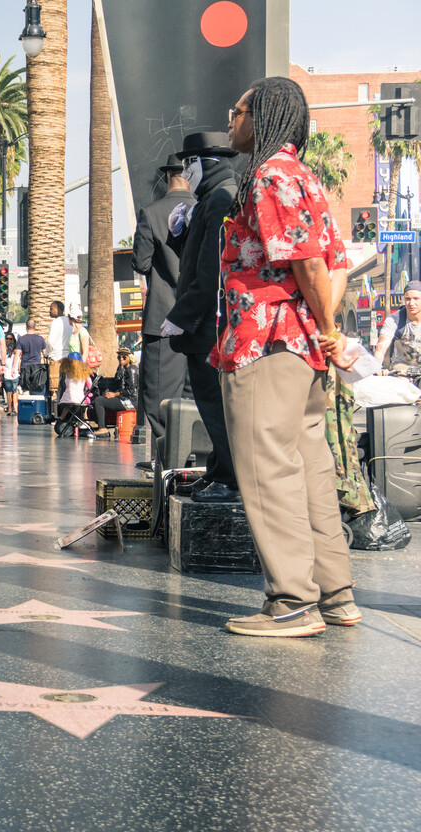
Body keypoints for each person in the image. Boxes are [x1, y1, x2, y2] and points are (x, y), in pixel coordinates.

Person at [215, 77, 357, 637]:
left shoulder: (269, 174)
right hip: (299, 347)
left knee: (267, 469)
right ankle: (336, 594)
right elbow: (336, 262)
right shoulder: (305, 178)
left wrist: (327, 327)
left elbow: (308, 264)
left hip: (264, 342)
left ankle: (292, 603)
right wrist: (325, 331)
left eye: (238, 109)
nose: (231, 118)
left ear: (263, 115)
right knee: (311, 466)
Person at [164, 131, 244, 502]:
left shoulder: (220, 199)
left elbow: (211, 271)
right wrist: (180, 233)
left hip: (211, 324)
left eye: (188, 165)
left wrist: (182, 315)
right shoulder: (212, 199)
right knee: (210, 404)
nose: (184, 173)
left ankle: (229, 477)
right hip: (208, 323)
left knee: (215, 404)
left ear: (202, 164)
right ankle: (218, 470)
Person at [133, 155, 196, 446]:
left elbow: (141, 263)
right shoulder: (205, 207)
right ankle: (197, 461)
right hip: (200, 320)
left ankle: (171, 460)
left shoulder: (152, 212)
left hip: (163, 319)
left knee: (158, 397)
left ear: (168, 175)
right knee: (195, 397)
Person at [372, 280, 421, 371]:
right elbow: (381, 347)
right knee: (401, 378)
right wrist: (376, 367)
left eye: (416, 299)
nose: (411, 303)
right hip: (402, 368)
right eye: (408, 299)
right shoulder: (394, 320)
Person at [92, 347, 139, 437]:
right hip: (125, 399)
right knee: (101, 398)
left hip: (131, 402)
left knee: (99, 401)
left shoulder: (131, 370)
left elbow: (131, 392)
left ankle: (102, 428)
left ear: (129, 358)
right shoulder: (123, 369)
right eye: (119, 357)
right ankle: (103, 427)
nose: (121, 359)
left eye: (124, 357)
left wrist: (114, 394)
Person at [45, 300, 70, 406]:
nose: (49, 311)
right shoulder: (69, 322)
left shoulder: (55, 323)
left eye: (51, 309)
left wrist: (47, 353)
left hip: (56, 358)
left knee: (56, 388)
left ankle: (57, 411)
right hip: (68, 358)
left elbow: (50, 341)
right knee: (67, 385)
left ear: (58, 309)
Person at [15, 319, 49, 395]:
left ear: (26, 326)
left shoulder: (21, 339)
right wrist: (46, 367)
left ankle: (27, 405)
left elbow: (17, 354)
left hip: (25, 367)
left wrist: (13, 367)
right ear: (35, 327)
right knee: (37, 388)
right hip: (37, 367)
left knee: (25, 389)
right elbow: (45, 354)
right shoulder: (40, 339)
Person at [2, 333, 20, 417]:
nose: (8, 340)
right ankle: (15, 408)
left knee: (9, 393)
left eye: (10, 339)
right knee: (15, 392)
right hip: (15, 375)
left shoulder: (5, 355)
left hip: (6, 375)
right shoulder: (16, 355)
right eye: (7, 338)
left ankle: (9, 408)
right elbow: (19, 365)